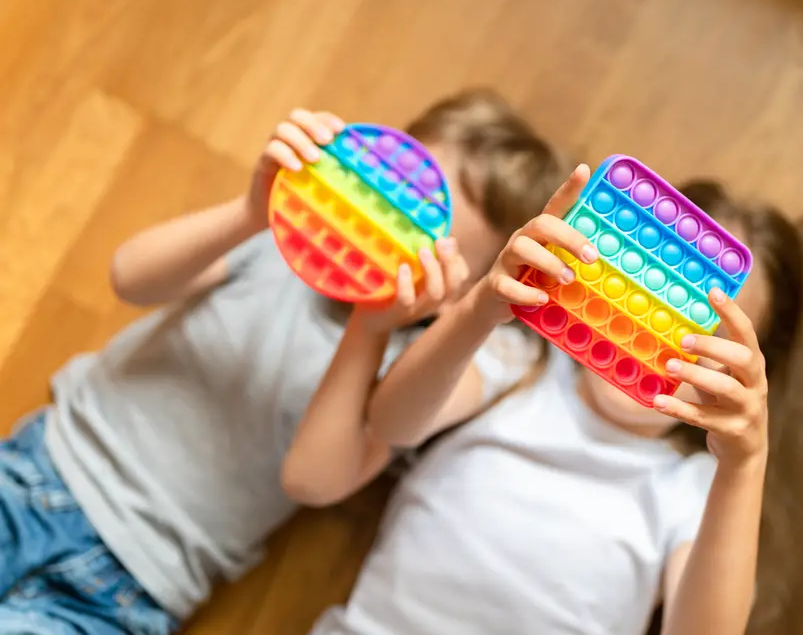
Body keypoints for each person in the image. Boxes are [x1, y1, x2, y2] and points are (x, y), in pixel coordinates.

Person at [0, 88, 569, 634]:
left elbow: (312, 480)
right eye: (390, 203)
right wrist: (253, 211)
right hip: (41, 469)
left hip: (133, 580)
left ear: (459, 287)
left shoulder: (412, 368)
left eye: (426, 245)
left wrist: (371, 326)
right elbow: (131, 277)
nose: (384, 238)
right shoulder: (281, 247)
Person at [305, 170, 803, 635]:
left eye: (697, 337)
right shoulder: (521, 368)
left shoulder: (693, 487)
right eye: (644, 298)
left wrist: (745, 462)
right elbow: (388, 420)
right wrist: (482, 308)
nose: (653, 342)